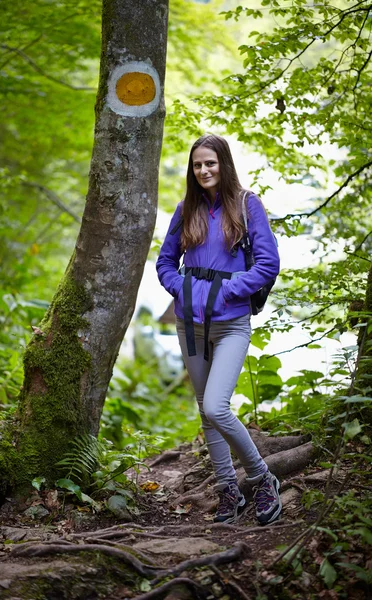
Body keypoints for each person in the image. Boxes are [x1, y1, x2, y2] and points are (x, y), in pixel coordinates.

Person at [156, 133, 282, 526]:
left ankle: (262, 478)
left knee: (216, 405)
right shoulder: (185, 209)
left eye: (210, 163)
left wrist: (227, 289)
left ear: (223, 164)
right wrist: (182, 289)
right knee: (205, 413)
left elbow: (268, 264)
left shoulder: (247, 205)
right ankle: (227, 489)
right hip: (189, 325)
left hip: (231, 325)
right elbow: (164, 263)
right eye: (197, 165)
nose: (204, 170)